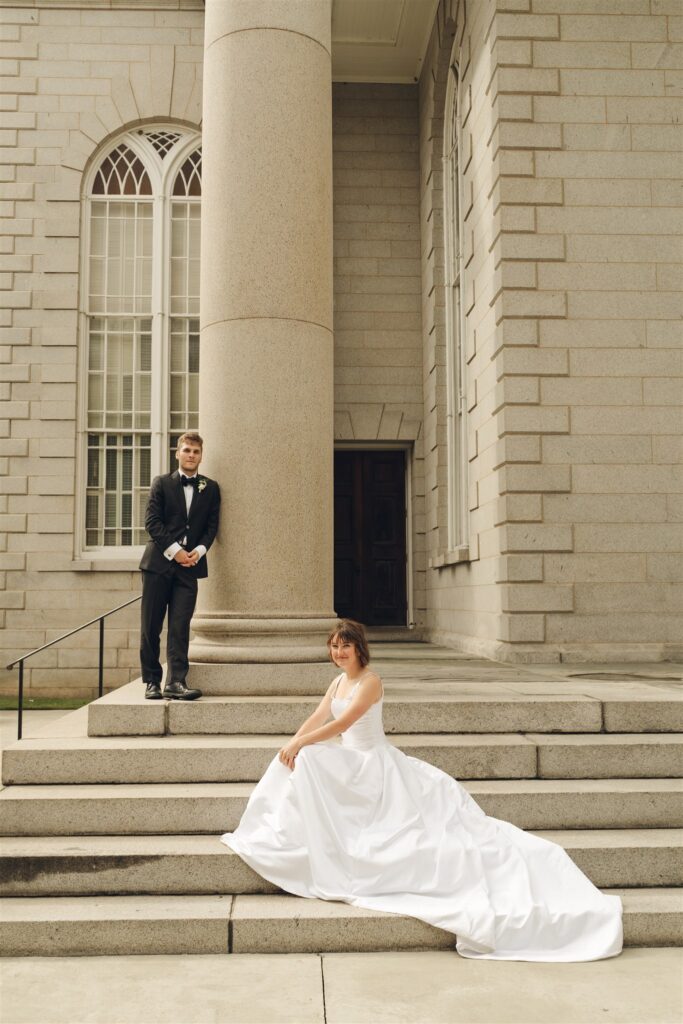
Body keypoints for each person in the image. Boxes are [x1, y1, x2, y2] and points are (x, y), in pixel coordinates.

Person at [221, 619, 623, 962]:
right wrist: (291, 742)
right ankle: (285, 836)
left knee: (308, 757)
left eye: (345, 646)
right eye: (333, 647)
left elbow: (343, 727)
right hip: (351, 762)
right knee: (297, 760)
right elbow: (318, 715)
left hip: (373, 764)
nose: (338, 652)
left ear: (360, 649)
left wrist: (301, 746)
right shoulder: (337, 681)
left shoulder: (370, 682)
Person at [139, 431, 221, 701]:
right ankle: (152, 681)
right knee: (151, 626)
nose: (191, 455)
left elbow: (211, 528)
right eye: (186, 450)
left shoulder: (210, 488)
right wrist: (176, 552)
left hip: (190, 569)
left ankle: (176, 682)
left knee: (180, 626)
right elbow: (152, 523)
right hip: (158, 566)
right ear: (177, 453)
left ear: (201, 455)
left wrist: (196, 552)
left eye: (196, 452)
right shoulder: (161, 483)